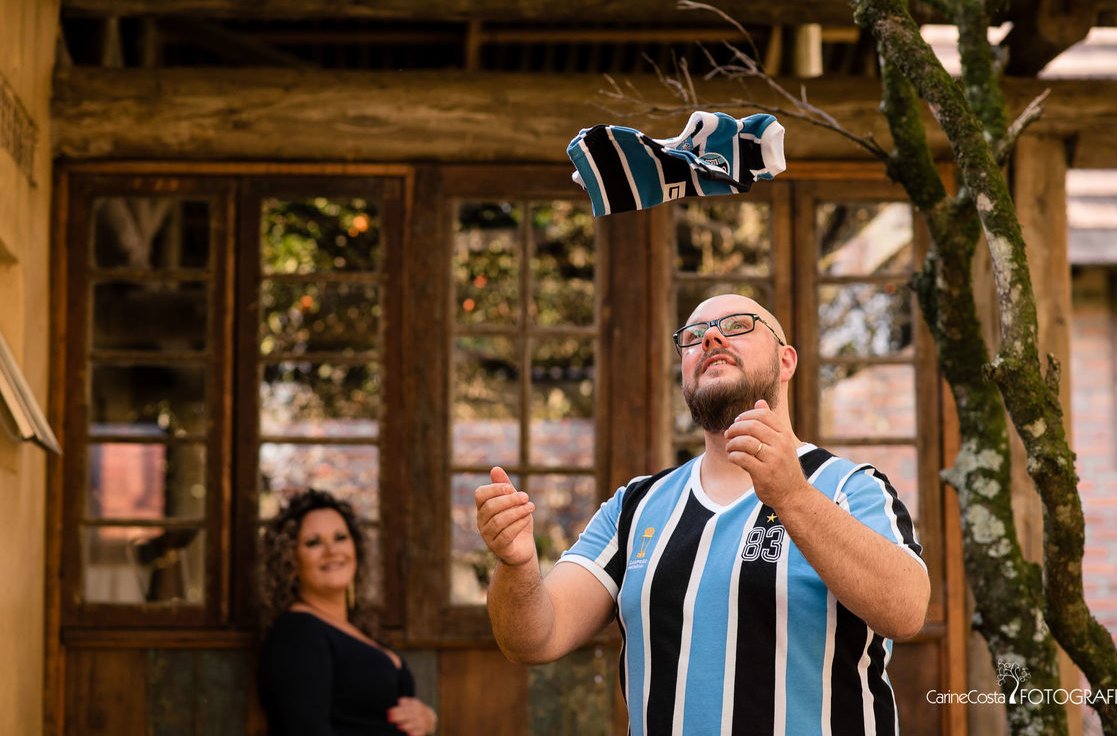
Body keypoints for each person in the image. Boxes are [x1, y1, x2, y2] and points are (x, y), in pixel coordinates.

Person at [475, 294, 929, 736]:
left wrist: (792, 496)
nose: (711, 338)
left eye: (737, 326)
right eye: (693, 336)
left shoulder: (851, 487)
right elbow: (534, 639)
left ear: (786, 361)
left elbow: (907, 611)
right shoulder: (635, 506)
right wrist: (516, 564)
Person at [258, 488, 438, 736]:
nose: (332, 551)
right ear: (291, 560)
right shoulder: (298, 633)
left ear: (355, 548)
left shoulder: (354, 625)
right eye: (313, 542)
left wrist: (428, 718)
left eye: (340, 537)